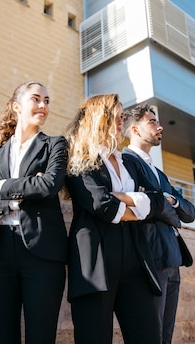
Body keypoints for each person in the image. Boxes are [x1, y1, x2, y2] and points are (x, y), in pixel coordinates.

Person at [0, 81, 68, 344]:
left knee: (41, 336)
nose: (43, 105)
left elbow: (48, 184)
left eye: (47, 100)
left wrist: (1, 186)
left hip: (43, 254)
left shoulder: (55, 145)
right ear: (16, 106)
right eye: (36, 99)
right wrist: (14, 202)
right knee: (1, 336)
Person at [64, 93, 165, 344]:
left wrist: (124, 198)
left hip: (135, 257)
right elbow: (102, 205)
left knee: (149, 336)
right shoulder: (80, 158)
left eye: (122, 117)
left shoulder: (129, 161)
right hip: (96, 261)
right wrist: (137, 204)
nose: (120, 123)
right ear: (99, 118)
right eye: (115, 117)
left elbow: (157, 201)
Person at [122, 103, 195, 344]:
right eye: (151, 122)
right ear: (134, 129)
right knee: (150, 335)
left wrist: (169, 201)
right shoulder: (126, 162)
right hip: (150, 258)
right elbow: (143, 207)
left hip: (173, 259)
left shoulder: (159, 174)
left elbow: (188, 213)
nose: (159, 126)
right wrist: (164, 205)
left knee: (166, 335)